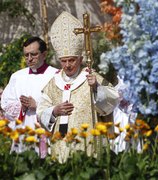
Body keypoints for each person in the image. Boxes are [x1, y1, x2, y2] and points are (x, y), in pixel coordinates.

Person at [37, 11, 124, 163]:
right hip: (61, 144)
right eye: (63, 61)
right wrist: (54, 111)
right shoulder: (53, 83)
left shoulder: (90, 76)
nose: (67, 65)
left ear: (80, 58)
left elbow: (113, 100)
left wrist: (97, 87)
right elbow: (41, 112)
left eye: (71, 60)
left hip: (88, 141)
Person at [1, 36, 58, 153]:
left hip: (46, 130)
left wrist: (37, 106)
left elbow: (62, 104)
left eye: (33, 54)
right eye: (26, 55)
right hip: (23, 130)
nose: (29, 59)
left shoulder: (56, 75)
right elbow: (5, 103)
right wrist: (21, 106)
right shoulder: (17, 76)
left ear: (44, 54)